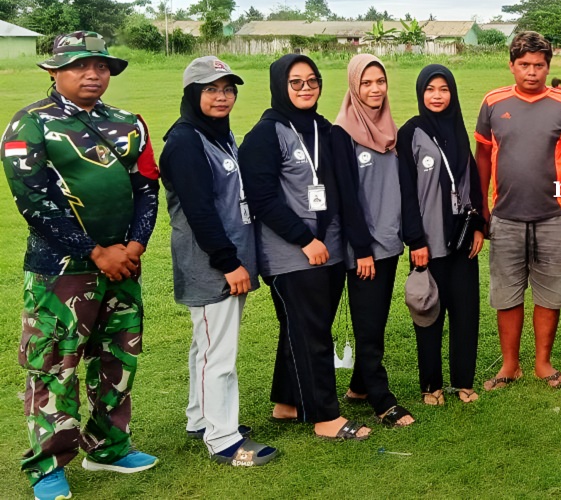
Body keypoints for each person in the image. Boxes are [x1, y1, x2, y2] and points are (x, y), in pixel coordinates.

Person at [3, 32, 160, 500]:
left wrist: (134, 245)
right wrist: (95, 252)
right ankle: (48, 466)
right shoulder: (29, 124)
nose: (93, 74)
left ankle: (108, 446)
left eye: (102, 66)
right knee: (55, 366)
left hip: (123, 268)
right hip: (60, 271)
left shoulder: (128, 123)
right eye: (79, 66)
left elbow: (147, 187)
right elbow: (33, 200)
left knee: (118, 359)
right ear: (54, 71)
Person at [241, 54, 370, 441]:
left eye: (311, 80)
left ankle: (288, 401)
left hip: (327, 250)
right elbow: (262, 198)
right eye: (295, 82)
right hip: (291, 255)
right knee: (312, 332)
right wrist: (304, 240)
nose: (305, 88)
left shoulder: (323, 129)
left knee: (300, 328)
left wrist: (331, 241)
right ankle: (325, 416)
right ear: (280, 85)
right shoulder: (266, 134)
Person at [161, 56, 278, 466]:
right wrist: (228, 262)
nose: (221, 97)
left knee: (205, 346)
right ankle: (223, 439)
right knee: (219, 355)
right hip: (212, 265)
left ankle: (200, 419)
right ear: (193, 93)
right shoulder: (186, 142)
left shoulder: (217, 135)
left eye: (228, 89)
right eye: (211, 89)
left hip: (227, 260)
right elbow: (199, 211)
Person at [475, 32, 561, 390]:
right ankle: (510, 365)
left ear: (548, 66)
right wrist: (483, 209)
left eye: (539, 65)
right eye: (524, 65)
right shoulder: (493, 103)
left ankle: (543, 363)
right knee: (507, 294)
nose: (532, 72)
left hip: (554, 216)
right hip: (505, 216)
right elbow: (483, 160)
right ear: (512, 65)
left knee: (549, 293)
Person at [330, 55, 414, 427]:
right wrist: (361, 249)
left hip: (389, 241)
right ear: (353, 86)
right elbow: (346, 197)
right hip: (364, 249)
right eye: (366, 83)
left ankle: (359, 386)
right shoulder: (342, 133)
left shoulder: (388, 129)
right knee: (368, 324)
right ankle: (382, 400)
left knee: (376, 318)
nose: (375, 89)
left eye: (379, 81)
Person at [399, 64, 486, 405]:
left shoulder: (457, 128)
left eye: (444, 89)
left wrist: (478, 225)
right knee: (428, 312)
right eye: (430, 89)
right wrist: (415, 240)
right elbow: (406, 190)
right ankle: (430, 386)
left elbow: (472, 181)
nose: (437, 96)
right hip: (429, 242)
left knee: (465, 313)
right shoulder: (411, 132)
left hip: (463, 240)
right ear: (421, 93)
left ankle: (464, 381)